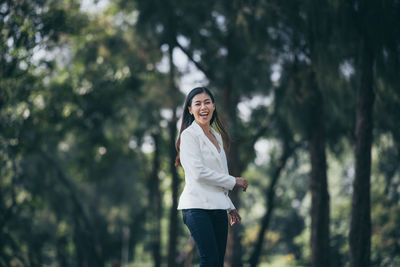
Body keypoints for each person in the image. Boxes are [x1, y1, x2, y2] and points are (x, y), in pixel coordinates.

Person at [175, 87, 248, 267]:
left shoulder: (216, 136)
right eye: (197, 104)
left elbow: (219, 175)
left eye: (207, 102)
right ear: (190, 110)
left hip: (217, 206)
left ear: (214, 106)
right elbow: (199, 173)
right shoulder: (189, 135)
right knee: (210, 260)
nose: (203, 107)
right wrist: (234, 181)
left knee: (217, 263)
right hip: (196, 207)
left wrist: (229, 205)